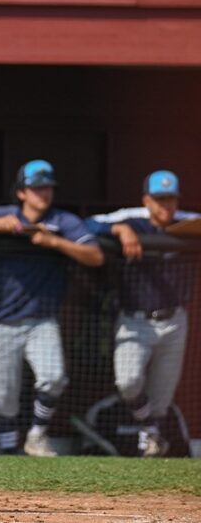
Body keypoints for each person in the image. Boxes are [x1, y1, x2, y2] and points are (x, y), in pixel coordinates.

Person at [0, 160, 103, 457]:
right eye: (36, 188)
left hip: (41, 319)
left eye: (47, 187)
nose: (43, 193)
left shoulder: (63, 220)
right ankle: (8, 450)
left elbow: (95, 256)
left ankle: (36, 434)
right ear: (21, 192)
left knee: (54, 377)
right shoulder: (4, 214)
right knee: (5, 396)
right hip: (0, 319)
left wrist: (53, 242)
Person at [85, 170, 198, 457]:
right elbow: (88, 224)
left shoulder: (188, 221)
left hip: (174, 320)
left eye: (170, 199)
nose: (166, 206)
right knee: (128, 382)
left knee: (162, 396)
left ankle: (151, 440)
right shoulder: (132, 217)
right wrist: (121, 230)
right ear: (146, 200)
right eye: (159, 199)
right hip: (135, 318)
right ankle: (149, 430)